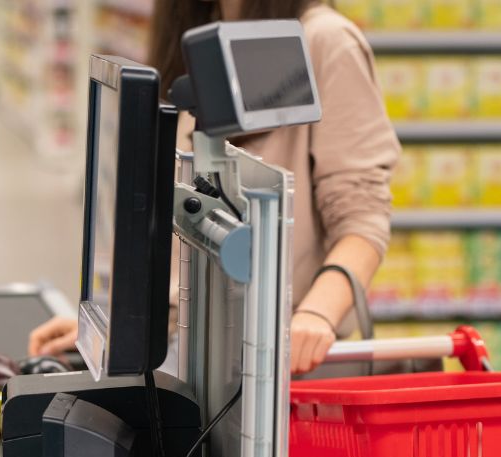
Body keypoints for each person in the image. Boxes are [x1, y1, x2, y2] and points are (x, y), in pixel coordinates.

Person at [30, 0, 399, 376]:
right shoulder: (201, 34)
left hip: (271, 373)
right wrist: (122, 328)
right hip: (193, 358)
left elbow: (362, 222)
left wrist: (316, 316)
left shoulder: (324, 40)